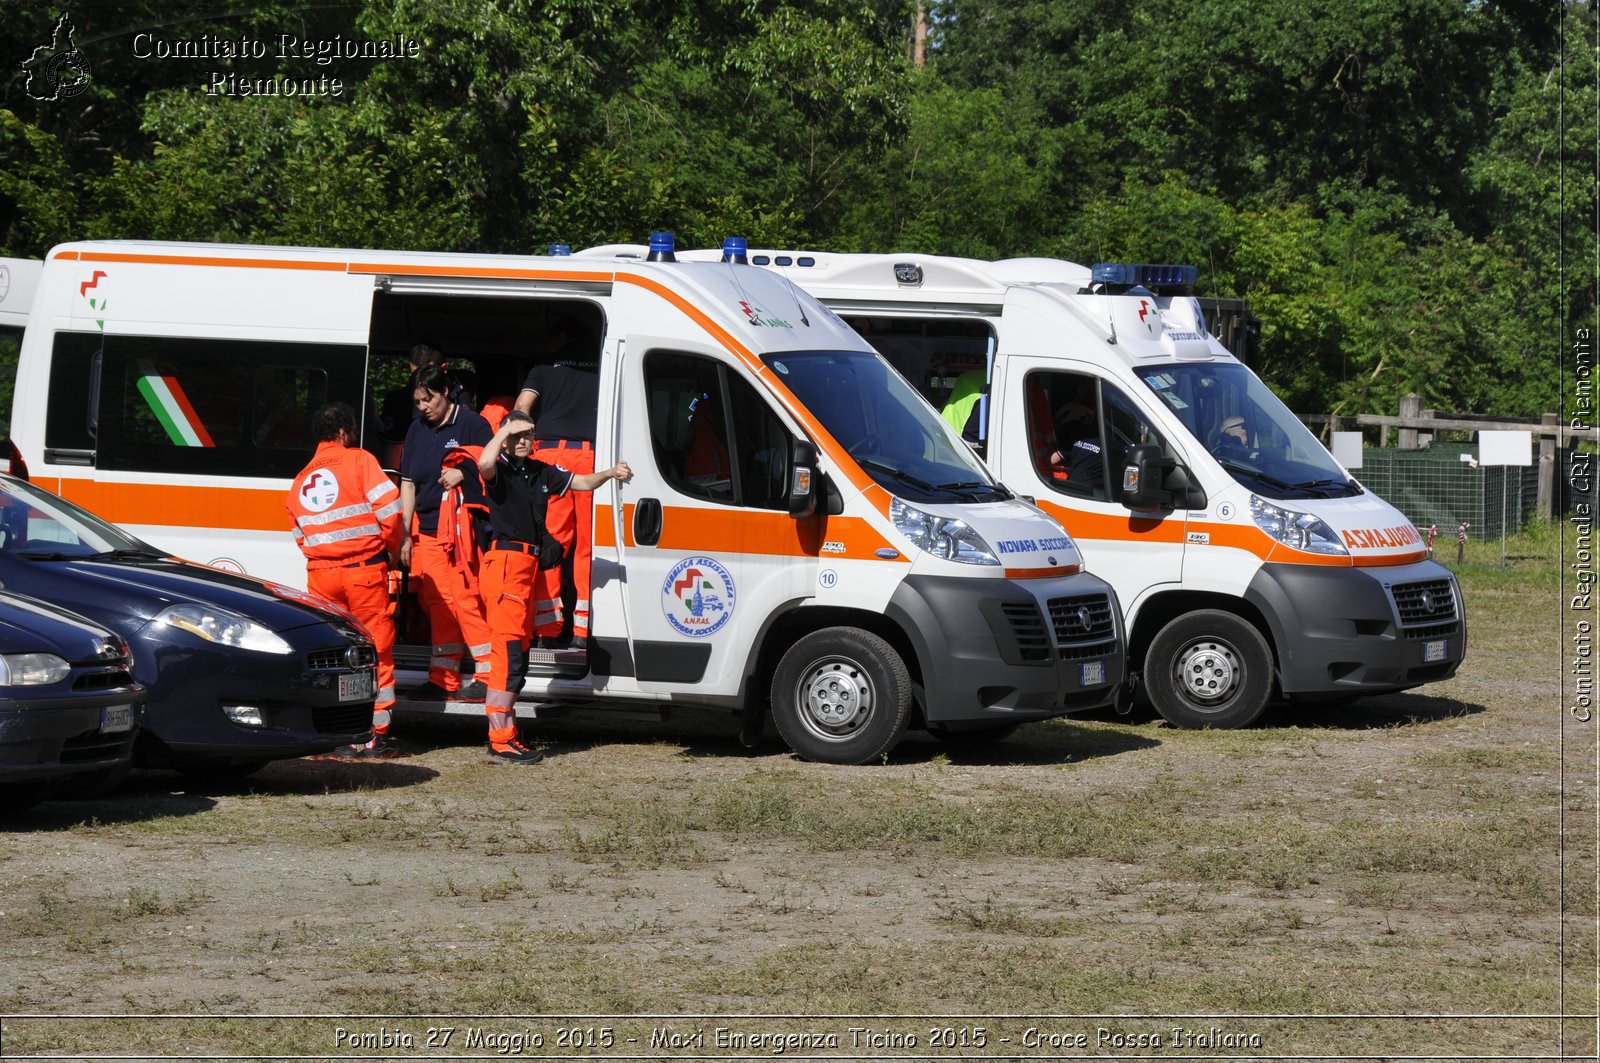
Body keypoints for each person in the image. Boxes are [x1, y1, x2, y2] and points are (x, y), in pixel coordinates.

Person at [476, 411, 632, 763]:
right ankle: (499, 740)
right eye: (517, 435)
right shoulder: (498, 468)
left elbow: (583, 483)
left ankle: (506, 735)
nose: (523, 441)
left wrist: (610, 473)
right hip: (505, 565)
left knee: (518, 654)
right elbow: (484, 460)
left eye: (528, 434)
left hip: (526, 567)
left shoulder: (540, 470)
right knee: (508, 656)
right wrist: (504, 431)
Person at [287, 402, 403, 759]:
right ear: (344, 431)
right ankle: (373, 735)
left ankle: (339, 733)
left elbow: (301, 535)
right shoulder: (359, 460)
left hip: (321, 577)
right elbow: (391, 512)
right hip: (363, 573)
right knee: (375, 650)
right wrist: (394, 552)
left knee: (334, 655)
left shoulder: (301, 478)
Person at [400, 366, 494, 699]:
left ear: (446, 394)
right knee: (437, 603)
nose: (423, 407)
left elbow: (493, 466)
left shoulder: (473, 424)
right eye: (418, 401)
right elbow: (408, 482)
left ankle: (487, 672)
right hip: (426, 530)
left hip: (460, 529)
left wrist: (463, 471)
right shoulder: (416, 429)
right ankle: (442, 679)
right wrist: (405, 532)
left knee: (465, 600)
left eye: (428, 400)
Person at [515, 320, 602, 649]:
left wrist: (519, 448)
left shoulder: (543, 367)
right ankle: (582, 631)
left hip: (551, 457)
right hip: (591, 456)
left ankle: (548, 631)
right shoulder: (605, 362)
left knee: (551, 542)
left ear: (562, 335)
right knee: (589, 546)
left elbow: (523, 407)